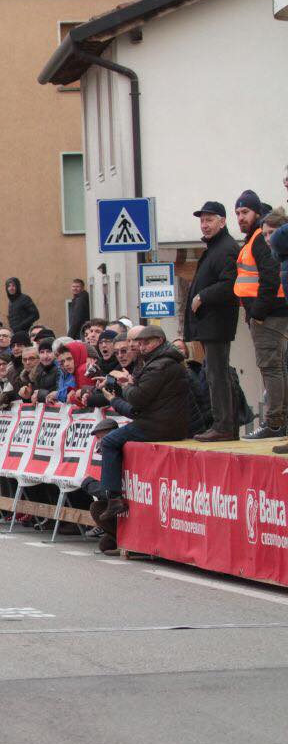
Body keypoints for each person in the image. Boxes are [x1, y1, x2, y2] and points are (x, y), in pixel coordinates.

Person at [89, 327, 190, 518]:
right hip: (162, 421)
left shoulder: (159, 365)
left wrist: (125, 386)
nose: (141, 347)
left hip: (157, 424)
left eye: (146, 342)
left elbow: (137, 398)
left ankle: (113, 498)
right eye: (139, 343)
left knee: (109, 442)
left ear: (159, 341)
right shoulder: (160, 362)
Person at [232, 190, 288, 438]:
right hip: (269, 309)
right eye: (238, 213)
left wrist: (258, 312)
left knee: (271, 367)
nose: (240, 217)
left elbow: (268, 276)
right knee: (277, 367)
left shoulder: (259, 239)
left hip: (268, 311)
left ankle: (275, 423)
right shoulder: (257, 237)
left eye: (245, 212)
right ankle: (279, 421)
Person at [185, 200, 241, 442]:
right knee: (216, 373)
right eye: (202, 220)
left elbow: (230, 284)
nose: (204, 225)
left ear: (222, 221)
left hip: (217, 322)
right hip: (209, 323)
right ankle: (224, 424)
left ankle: (223, 425)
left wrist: (202, 295)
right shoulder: (216, 247)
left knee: (217, 374)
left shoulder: (226, 247)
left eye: (209, 220)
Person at [67, 278, 90, 344]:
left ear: (82, 288)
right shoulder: (78, 299)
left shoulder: (80, 300)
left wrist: (70, 336)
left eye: (77, 287)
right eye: (73, 286)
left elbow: (76, 320)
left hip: (79, 333)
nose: (75, 288)